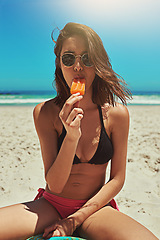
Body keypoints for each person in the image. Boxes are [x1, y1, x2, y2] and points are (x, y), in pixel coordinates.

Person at [0, 22, 158, 240]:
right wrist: (71, 137)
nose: (77, 66)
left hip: (94, 209)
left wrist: (75, 219)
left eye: (87, 58)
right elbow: (54, 184)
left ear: (98, 64)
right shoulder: (45, 113)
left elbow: (117, 179)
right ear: (59, 64)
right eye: (69, 58)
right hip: (51, 205)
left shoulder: (116, 115)